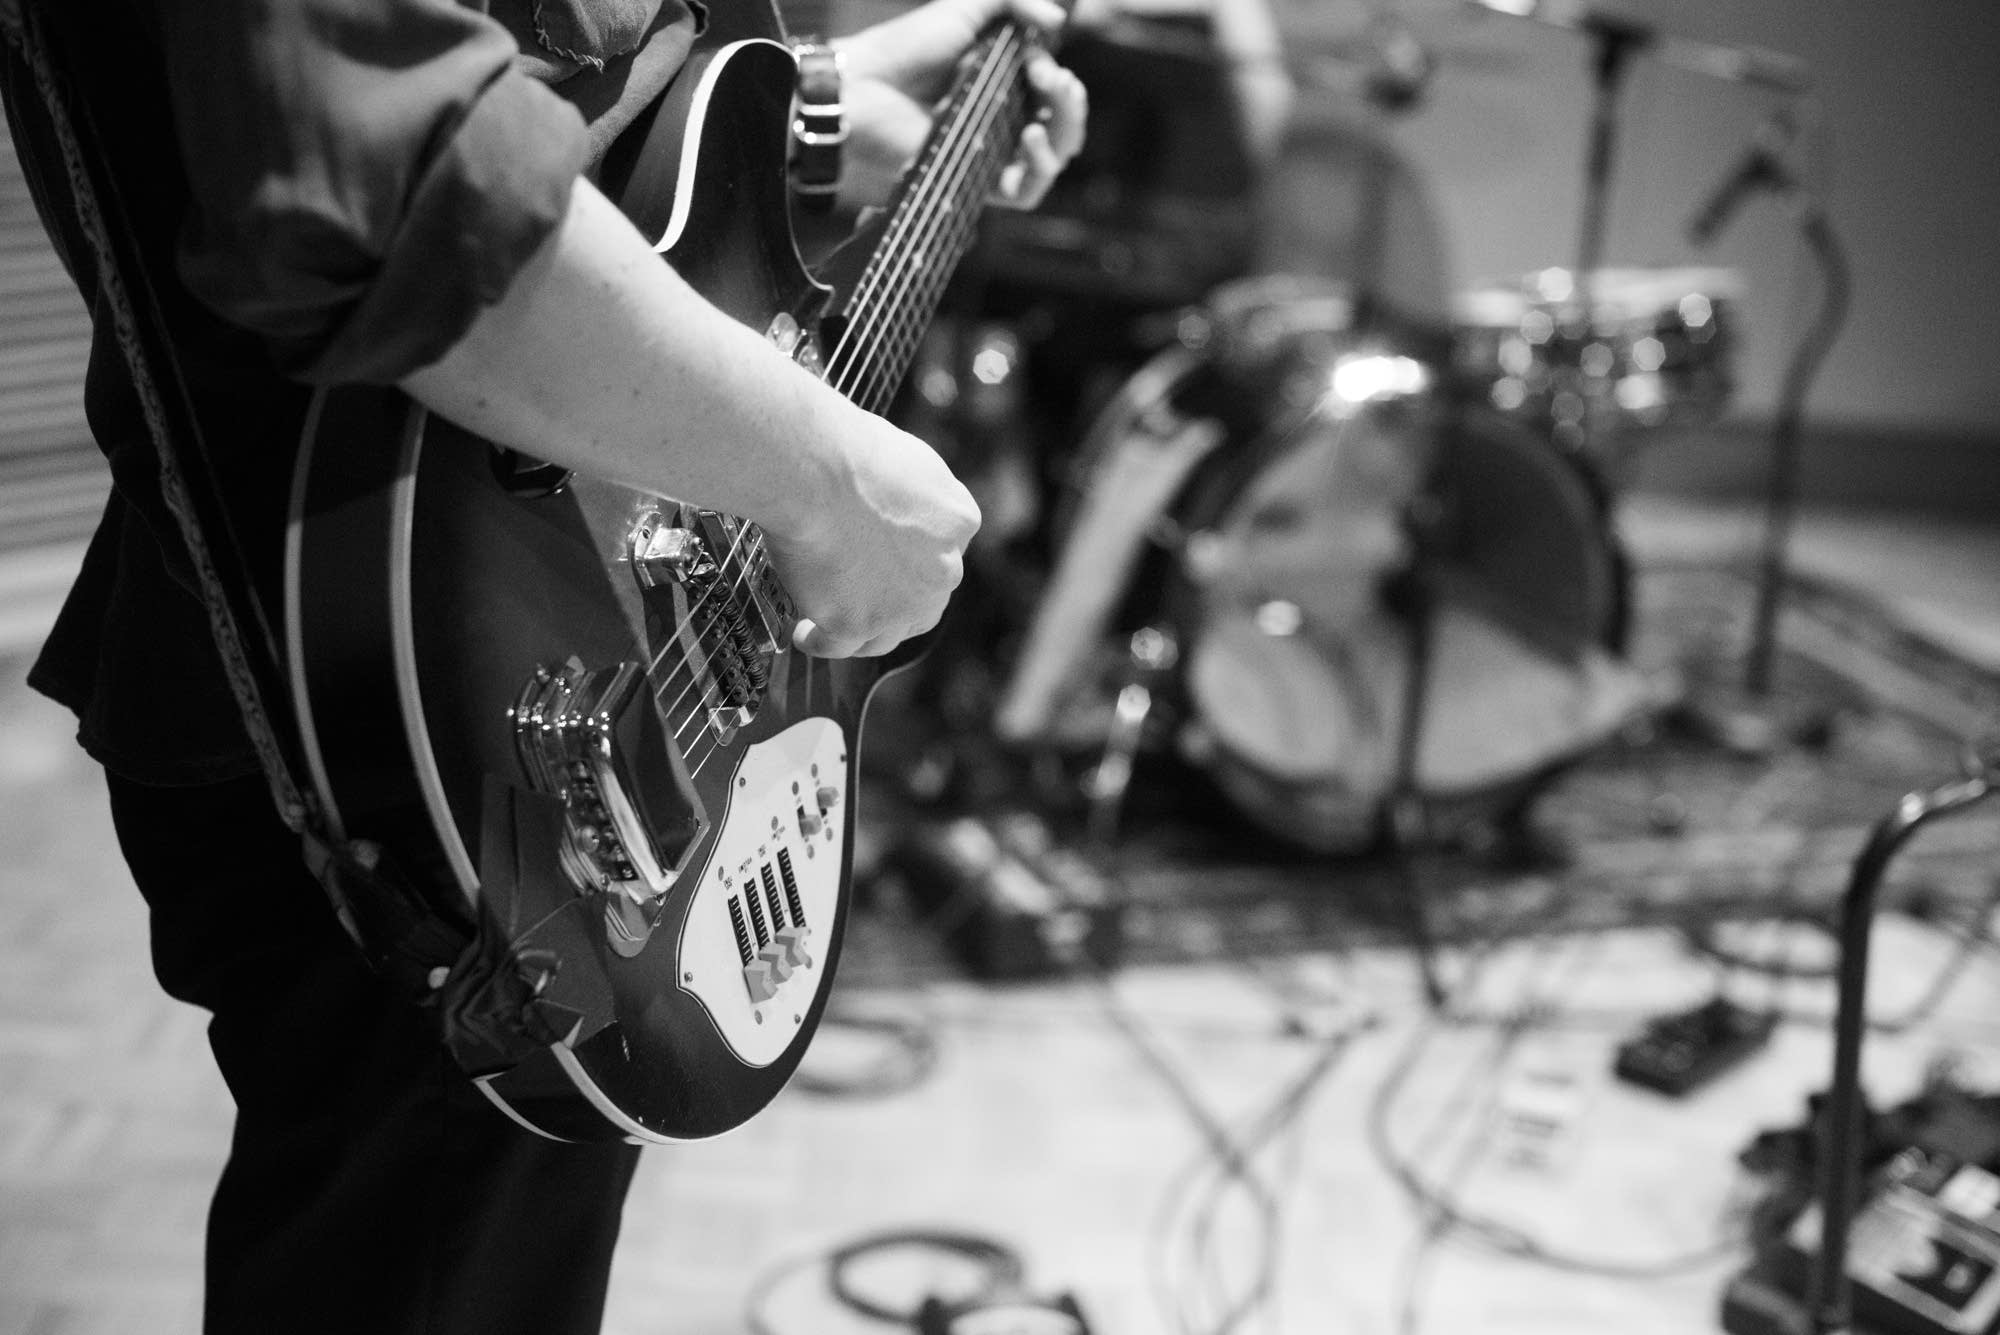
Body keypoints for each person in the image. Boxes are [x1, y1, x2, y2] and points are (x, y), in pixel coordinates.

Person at [0, 0, 1084, 1331]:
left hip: (541, 603)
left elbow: (531, 86)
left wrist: (802, 108)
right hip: (426, 681)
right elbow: (402, 205)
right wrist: (830, 487)